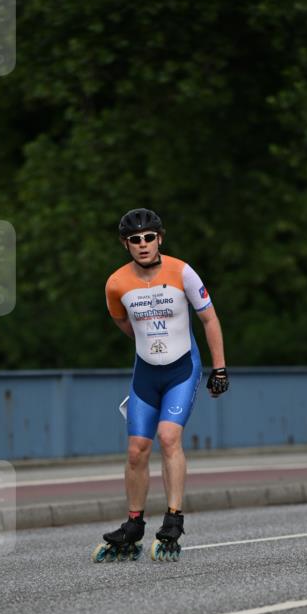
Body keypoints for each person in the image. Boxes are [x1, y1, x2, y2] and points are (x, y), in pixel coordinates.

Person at [93, 208, 228, 562]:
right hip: (146, 372)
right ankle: (134, 524)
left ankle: (173, 519)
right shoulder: (116, 283)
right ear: (125, 244)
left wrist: (220, 368)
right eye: (135, 240)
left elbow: (210, 319)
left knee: (169, 438)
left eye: (149, 237)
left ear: (160, 238)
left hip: (182, 369)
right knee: (137, 448)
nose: (143, 244)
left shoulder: (182, 271)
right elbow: (124, 325)